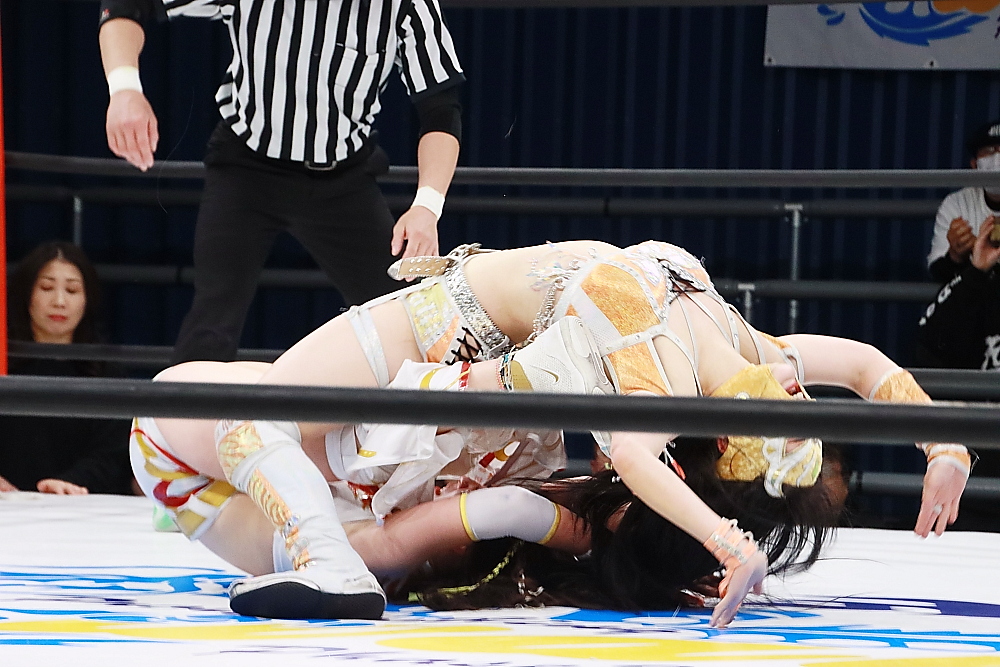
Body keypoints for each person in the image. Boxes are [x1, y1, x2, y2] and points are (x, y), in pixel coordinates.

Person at [133, 239, 968, 627]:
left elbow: (634, 451)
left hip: (445, 382)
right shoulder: (744, 343)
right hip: (435, 352)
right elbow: (864, 366)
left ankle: (330, 563)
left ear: (724, 440)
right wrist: (945, 447)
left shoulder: (666, 374)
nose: (797, 389)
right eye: (802, 406)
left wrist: (728, 543)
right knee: (229, 410)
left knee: (235, 415)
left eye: (787, 422)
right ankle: (330, 554)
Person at [98, 0, 465, 363]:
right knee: (212, 321)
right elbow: (126, 5)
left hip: (342, 179)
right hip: (247, 168)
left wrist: (427, 205)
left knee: (410, 318)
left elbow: (441, 109)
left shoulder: (405, 5)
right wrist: (124, 88)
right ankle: (184, 402)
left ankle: (427, 400)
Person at [0, 242, 135, 496]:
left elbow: (115, 453)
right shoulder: (3, 364)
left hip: (82, 504)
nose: (59, 302)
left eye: (72, 290)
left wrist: (70, 482)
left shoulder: (106, 371)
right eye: (46, 288)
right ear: (26, 294)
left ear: (87, 299)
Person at [925, 119, 1000, 285]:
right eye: (988, 151)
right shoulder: (957, 204)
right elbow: (938, 273)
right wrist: (955, 256)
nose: (997, 158)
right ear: (974, 164)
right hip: (974, 298)